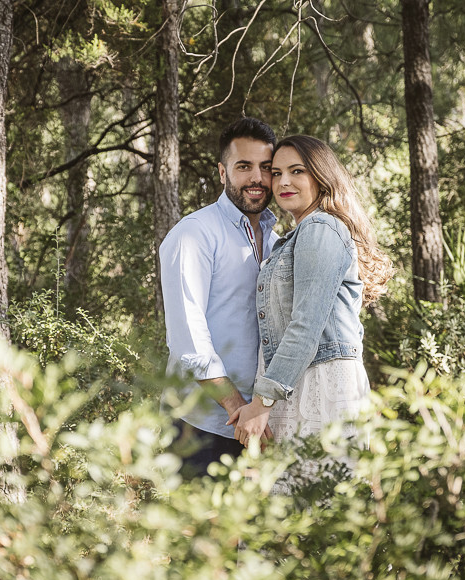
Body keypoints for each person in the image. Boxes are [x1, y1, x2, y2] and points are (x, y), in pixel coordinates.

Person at [227, 135, 393, 466]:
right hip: (297, 384)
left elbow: (305, 327)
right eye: (276, 173)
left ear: (320, 176)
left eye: (297, 171)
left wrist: (261, 403)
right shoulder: (301, 235)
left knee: (317, 506)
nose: (283, 181)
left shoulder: (320, 227)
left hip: (322, 386)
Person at [159, 117, 280, 478]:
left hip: (258, 425)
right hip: (201, 425)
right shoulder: (194, 234)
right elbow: (189, 342)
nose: (256, 178)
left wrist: (258, 413)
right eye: (244, 166)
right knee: (196, 533)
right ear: (222, 172)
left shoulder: (277, 241)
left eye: (265, 168)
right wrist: (239, 409)